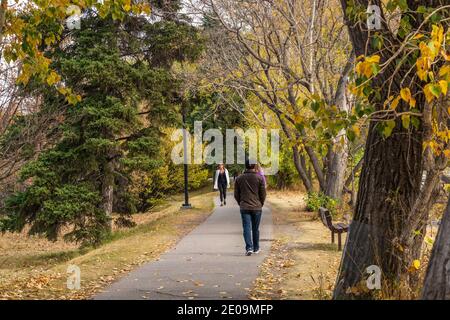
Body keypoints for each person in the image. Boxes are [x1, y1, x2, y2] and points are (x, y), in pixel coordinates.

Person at [234, 160, 266, 256]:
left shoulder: (239, 178)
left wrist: (241, 203)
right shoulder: (259, 178)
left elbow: (236, 194)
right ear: (254, 166)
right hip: (257, 207)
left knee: (246, 228)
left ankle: (249, 248)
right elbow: (263, 194)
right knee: (255, 228)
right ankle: (256, 248)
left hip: (244, 206)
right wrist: (261, 203)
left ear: (246, 166)